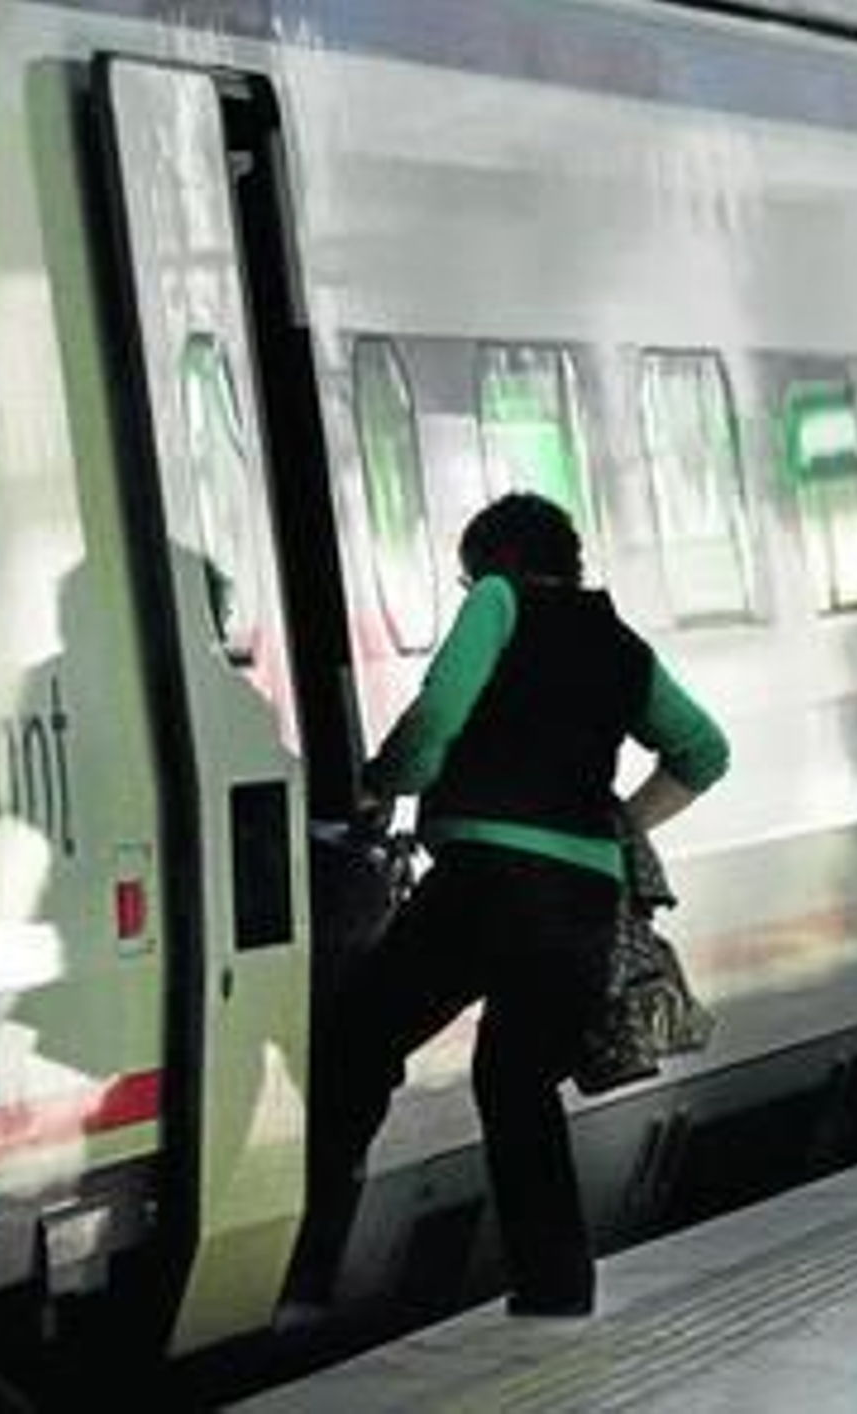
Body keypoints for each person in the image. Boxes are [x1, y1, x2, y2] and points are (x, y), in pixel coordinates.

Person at [314, 491, 729, 1318]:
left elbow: (439, 713)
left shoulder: (498, 600)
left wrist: (381, 782)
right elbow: (704, 751)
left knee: (359, 1039)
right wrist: (619, 825)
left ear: (491, 563)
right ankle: (555, 1287)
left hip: (486, 882)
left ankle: (311, 1247)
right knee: (515, 1081)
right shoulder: (619, 641)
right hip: (583, 898)